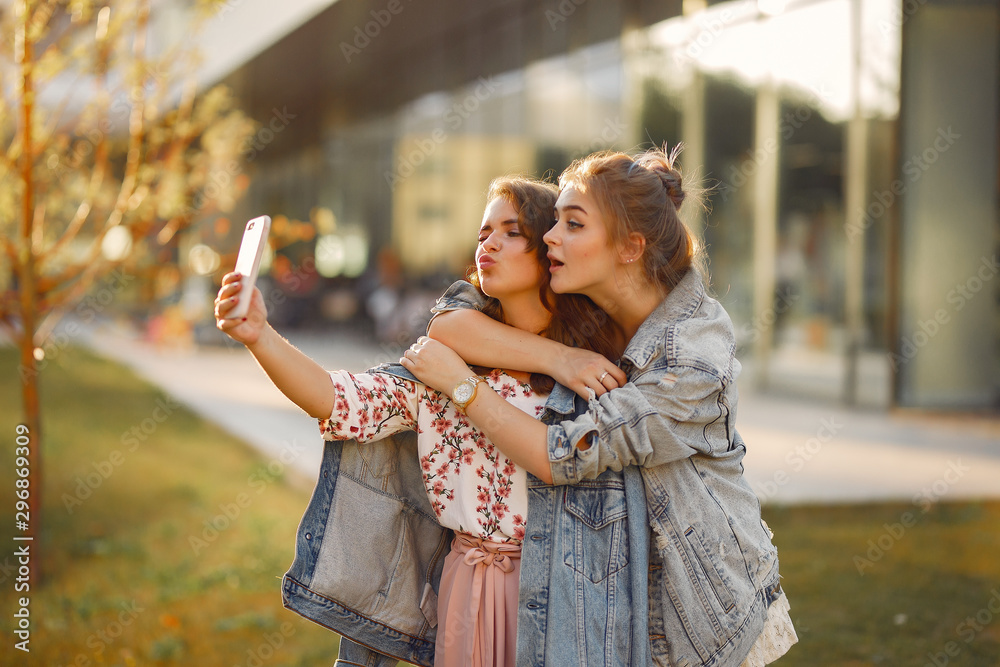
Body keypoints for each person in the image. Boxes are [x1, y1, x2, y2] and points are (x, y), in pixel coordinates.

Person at [213, 176, 641, 666]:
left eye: (512, 232)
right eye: (483, 234)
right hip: (466, 586)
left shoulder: (595, 366)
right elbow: (339, 401)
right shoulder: (443, 366)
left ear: (551, 249)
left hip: (565, 592)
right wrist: (259, 336)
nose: (489, 244)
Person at [403, 147, 799, 666]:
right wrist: (559, 356)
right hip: (610, 608)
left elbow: (559, 456)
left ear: (630, 247)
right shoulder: (589, 305)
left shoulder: (692, 358)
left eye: (573, 224)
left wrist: (463, 387)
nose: (550, 236)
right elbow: (451, 320)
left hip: (702, 616)